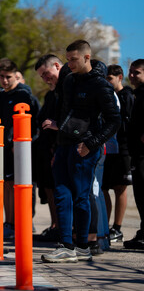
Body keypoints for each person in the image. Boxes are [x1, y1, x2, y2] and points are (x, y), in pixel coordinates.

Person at [41, 40, 120, 263]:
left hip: (86, 148)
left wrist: (91, 143)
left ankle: (83, 245)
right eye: (68, 60)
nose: (70, 64)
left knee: (81, 197)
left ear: (87, 57)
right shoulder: (68, 81)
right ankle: (67, 245)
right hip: (65, 146)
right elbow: (67, 114)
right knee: (61, 194)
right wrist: (58, 140)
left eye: (74, 59)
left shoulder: (100, 85)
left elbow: (114, 121)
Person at [0, 58, 40, 239]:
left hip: (21, 147)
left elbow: (35, 124)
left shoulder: (25, 94)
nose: (4, 80)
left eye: (8, 76)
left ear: (15, 74)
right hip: (2, 147)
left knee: (23, 186)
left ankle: (23, 222)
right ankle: (8, 222)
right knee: (6, 186)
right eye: (1, 76)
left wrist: (24, 143)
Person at [34, 54, 70, 242]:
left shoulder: (69, 86)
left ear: (57, 65)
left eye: (47, 73)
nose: (46, 79)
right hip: (50, 148)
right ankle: (57, 226)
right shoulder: (52, 94)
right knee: (50, 188)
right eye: (42, 76)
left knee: (67, 191)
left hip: (67, 145)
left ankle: (71, 232)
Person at [103, 64, 134, 243]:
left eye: (110, 79)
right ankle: (104, 226)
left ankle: (117, 228)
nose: (108, 82)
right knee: (104, 188)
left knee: (120, 188)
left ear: (119, 77)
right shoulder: (106, 96)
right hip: (108, 148)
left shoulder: (127, 96)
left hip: (123, 149)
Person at [124, 59, 144, 250]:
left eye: (136, 72)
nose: (131, 75)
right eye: (130, 72)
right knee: (139, 195)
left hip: (142, 155)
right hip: (136, 153)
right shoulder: (137, 94)